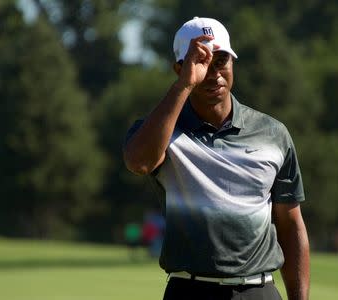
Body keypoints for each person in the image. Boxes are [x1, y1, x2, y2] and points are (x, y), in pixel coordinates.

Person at [123, 16, 310, 300]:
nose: (213, 72)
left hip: (259, 290)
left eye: (221, 60)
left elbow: (290, 223)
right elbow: (140, 163)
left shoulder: (272, 133)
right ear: (179, 68)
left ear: (232, 63)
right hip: (189, 289)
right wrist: (184, 86)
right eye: (201, 62)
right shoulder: (163, 130)